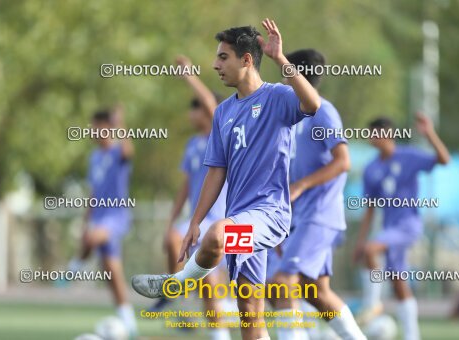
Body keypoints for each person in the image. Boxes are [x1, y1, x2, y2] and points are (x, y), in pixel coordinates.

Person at [132, 19, 321, 340]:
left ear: (246, 60)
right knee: (250, 314)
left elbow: (312, 103)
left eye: (223, 57)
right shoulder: (223, 113)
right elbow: (216, 170)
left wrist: (280, 59)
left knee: (218, 235)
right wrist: (194, 221)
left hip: (270, 217)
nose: (215, 64)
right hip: (241, 220)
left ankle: (176, 283)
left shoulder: (276, 97)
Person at [268, 49, 365, 340]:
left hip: (319, 216)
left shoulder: (323, 112)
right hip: (300, 218)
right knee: (316, 293)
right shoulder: (295, 116)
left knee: (282, 282)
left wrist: (301, 186)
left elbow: (342, 161)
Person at [151, 55, 231, 340]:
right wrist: (171, 220)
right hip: (196, 218)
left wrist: (188, 76)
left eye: (194, 109)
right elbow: (185, 187)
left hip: (221, 219)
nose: (191, 115)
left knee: (212, 285)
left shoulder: (219, 136)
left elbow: (212, 105)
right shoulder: (192, 144)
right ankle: (178, 290)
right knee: (174, 239)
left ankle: (216, 330)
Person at [353, 114, 450, 340]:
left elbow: (444, 160)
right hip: (389, 229)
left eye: (374, 133)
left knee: (371, 250)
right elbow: (370, 208)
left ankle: (372, 305)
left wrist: (429, 133)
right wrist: (359, 241)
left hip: (408, 225)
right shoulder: (371, 169)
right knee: (398, 283)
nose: (371, 138)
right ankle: (412, 336)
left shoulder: (408, 156)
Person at [68, 105, 137, 336]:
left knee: (92, 237)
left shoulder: (117, 151)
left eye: (98, 127)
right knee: (112, 271)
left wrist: (121, 125)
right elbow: (94, 192)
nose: (93, 131)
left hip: (116, 216)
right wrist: (86, 218)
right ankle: (128, 319)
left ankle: (74, 267)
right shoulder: (94, 157)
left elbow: (129, 151)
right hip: (98, 216)